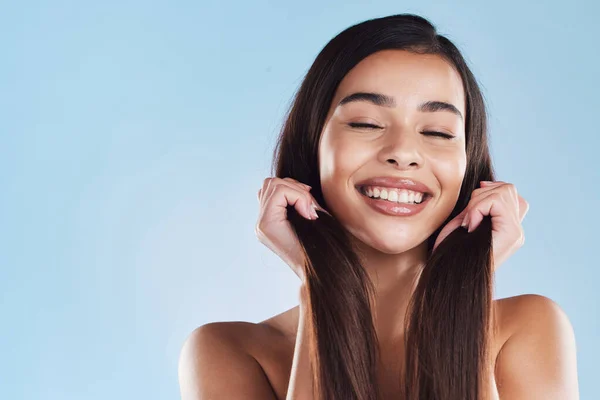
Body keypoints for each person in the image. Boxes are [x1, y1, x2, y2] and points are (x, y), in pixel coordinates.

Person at [178, 13, 579, 400]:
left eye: (438, 132)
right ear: (312, 145)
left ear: (469, 169)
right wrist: (319, 281)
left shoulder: (528, 329)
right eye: (366, 124)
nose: (403, 153)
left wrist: (466, 282)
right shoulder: (230, 352)